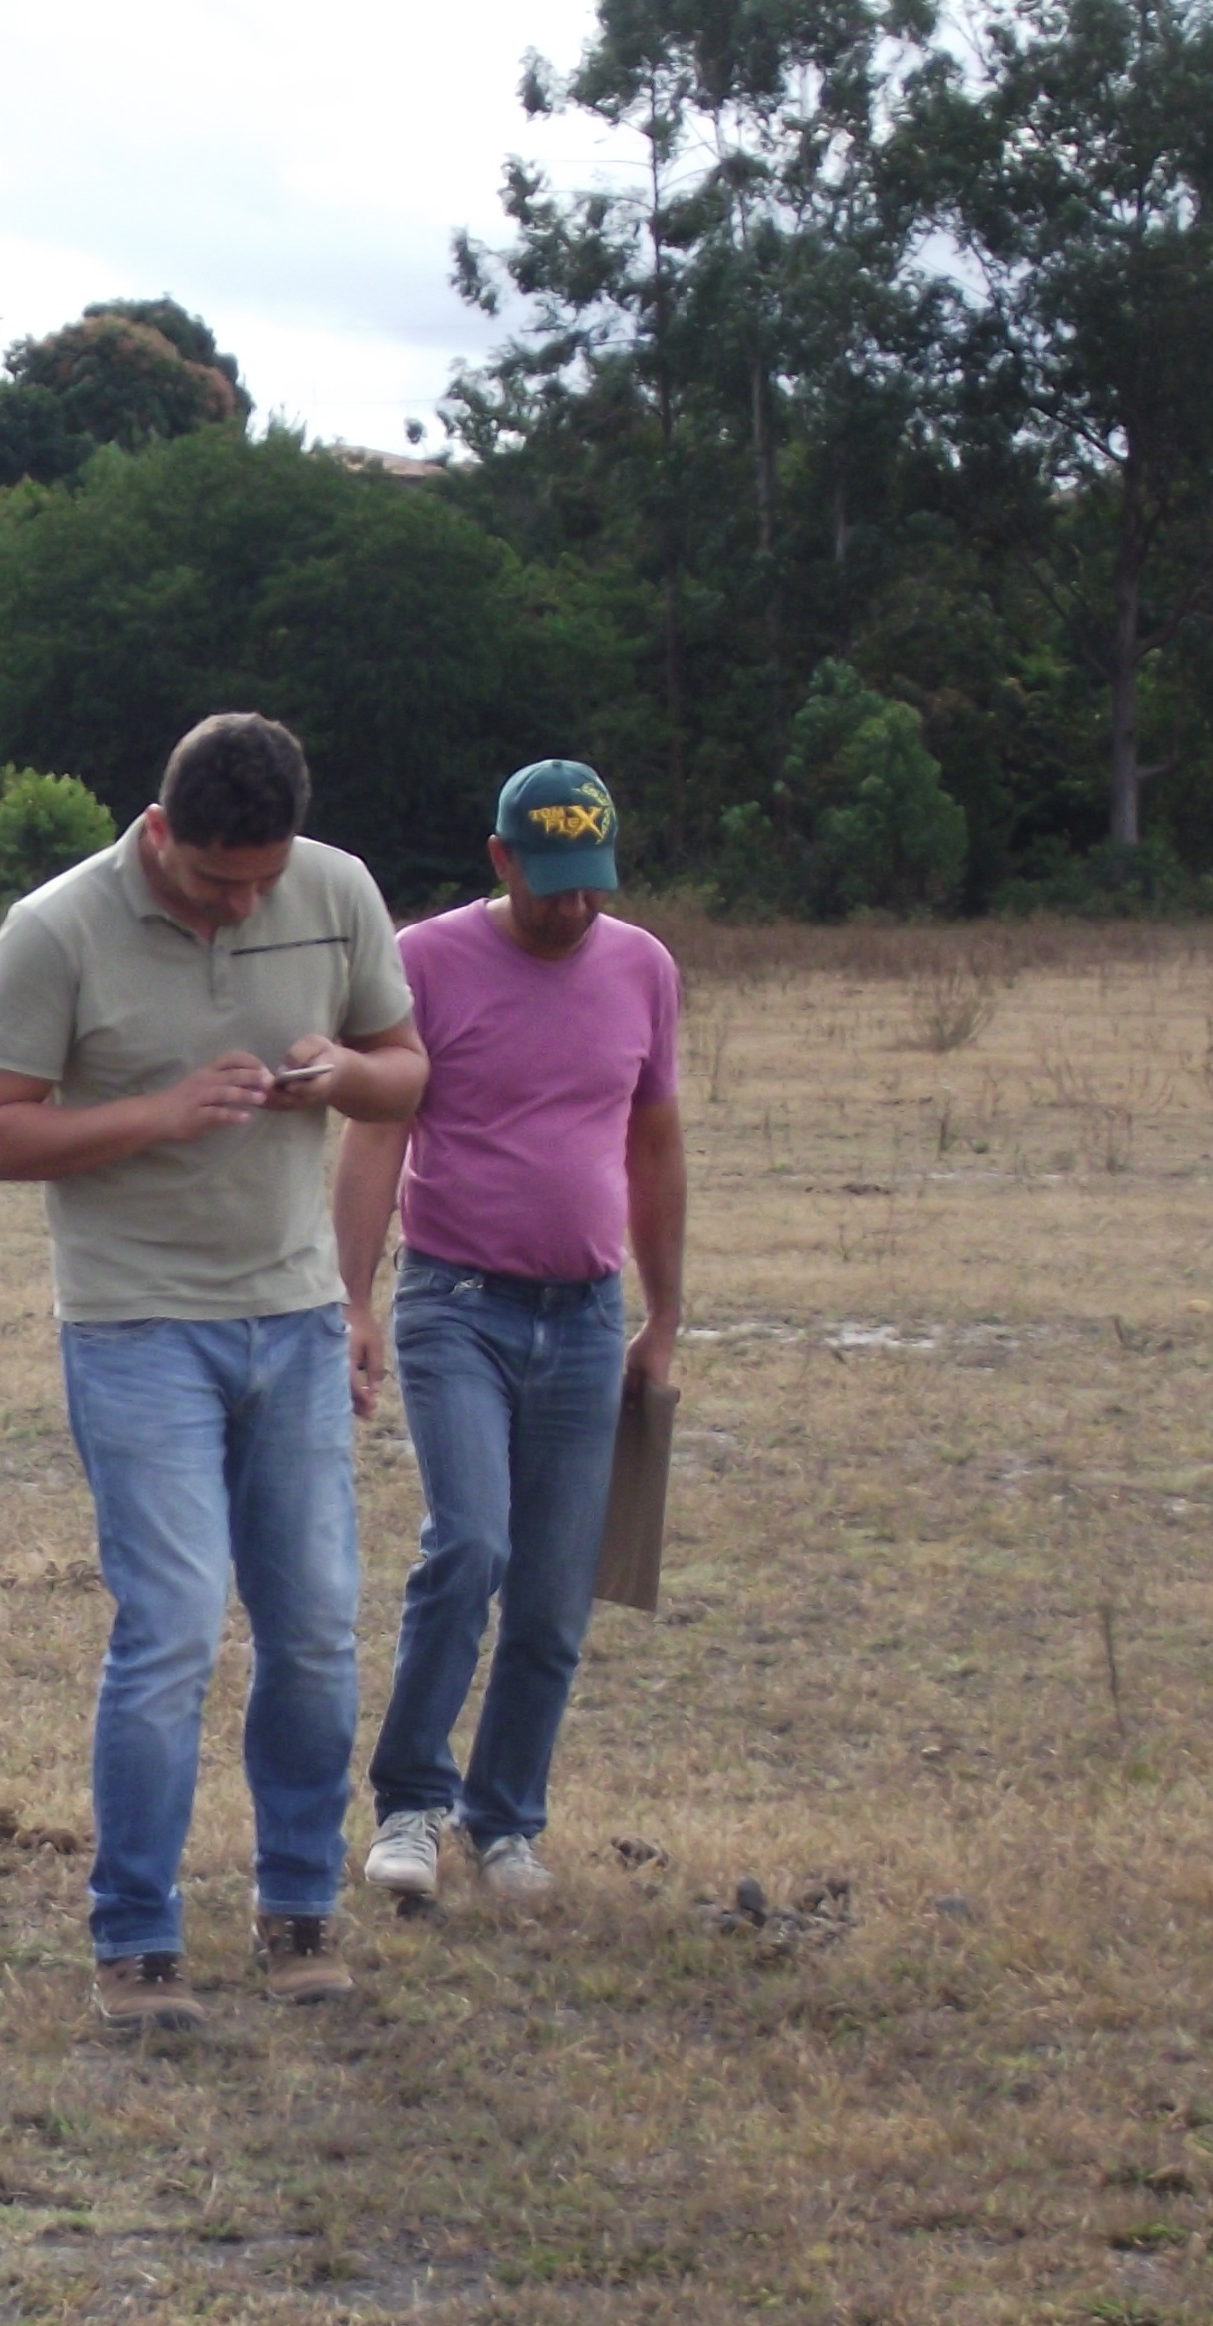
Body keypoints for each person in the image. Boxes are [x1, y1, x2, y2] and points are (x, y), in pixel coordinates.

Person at [0, 714, 426, 2033]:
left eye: (264, 876)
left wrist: (343, 1073)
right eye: (221, 880)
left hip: (294, 1318)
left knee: (318, 1631)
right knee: (168, 1632)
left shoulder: (332, 892)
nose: (248, 900)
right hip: (136, 1326)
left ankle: (296, 1910)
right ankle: (138, 1939)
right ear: (159, 833)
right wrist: (160, 1113)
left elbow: (409, 1074)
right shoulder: (55, 928)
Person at [338, 759, 686, 1908]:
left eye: (590, 886)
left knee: (550, 1592)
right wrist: (353, 1300)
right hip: (456, 1306)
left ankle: (506, 1821)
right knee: (471, 1547)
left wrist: (663, 1315)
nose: (573, 909)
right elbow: (379, 1133)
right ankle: (408, 1805)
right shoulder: (424, 961)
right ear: (499, 860)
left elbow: (652, 1146)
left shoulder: (643, 969)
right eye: (549, 888)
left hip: (584, 1320)